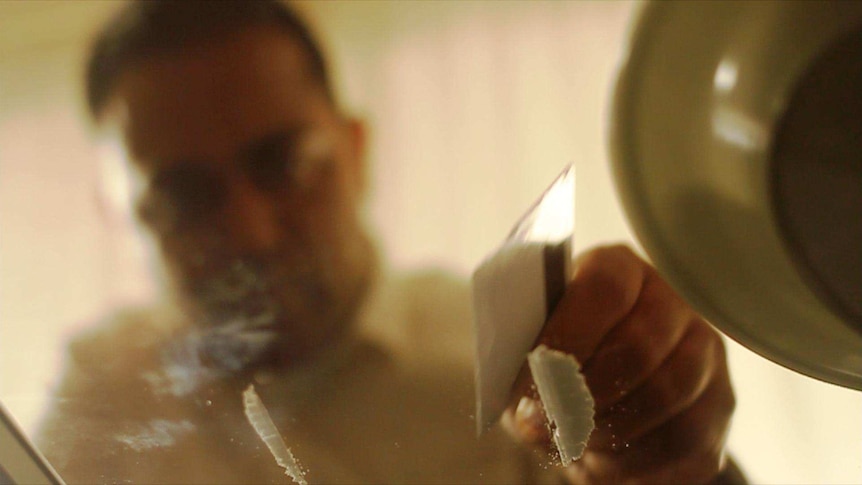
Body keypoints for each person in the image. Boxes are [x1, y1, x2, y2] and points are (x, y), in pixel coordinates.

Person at [35, 1, 744, 484]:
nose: (249, 231)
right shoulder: (98, 394)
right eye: (182, 197)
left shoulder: (517, 361)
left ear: (355, 149)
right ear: (121, 215)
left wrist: (670, 455)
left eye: (283, 163)